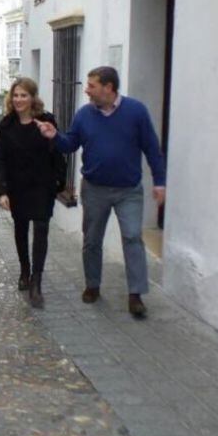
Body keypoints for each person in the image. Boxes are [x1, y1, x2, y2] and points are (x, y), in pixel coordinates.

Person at [37, 66, 166, 318]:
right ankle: (92, 285)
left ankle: (136, 294)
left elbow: (152, 148)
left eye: (92, 85)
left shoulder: (136, 111)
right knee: (92, 239)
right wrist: (54, 136)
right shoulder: (84, 114)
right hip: (94, 188)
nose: (87, 90)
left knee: (132, 237)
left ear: (108, 88)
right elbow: (70, 144)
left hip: (128, 189)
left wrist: (159, 181)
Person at [0, 77, 65, 308]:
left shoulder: (46, 121)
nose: (19, 99)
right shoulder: (6, 125)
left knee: (41, 229)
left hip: (42, 185)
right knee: (21, 229)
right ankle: (25, 270)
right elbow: (0, 159)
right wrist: (1, 190)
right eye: (15, 95)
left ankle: (37, 280)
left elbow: (57, 151)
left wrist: (59, 181)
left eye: (24, 95)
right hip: (17, 186)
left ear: (33, 97)